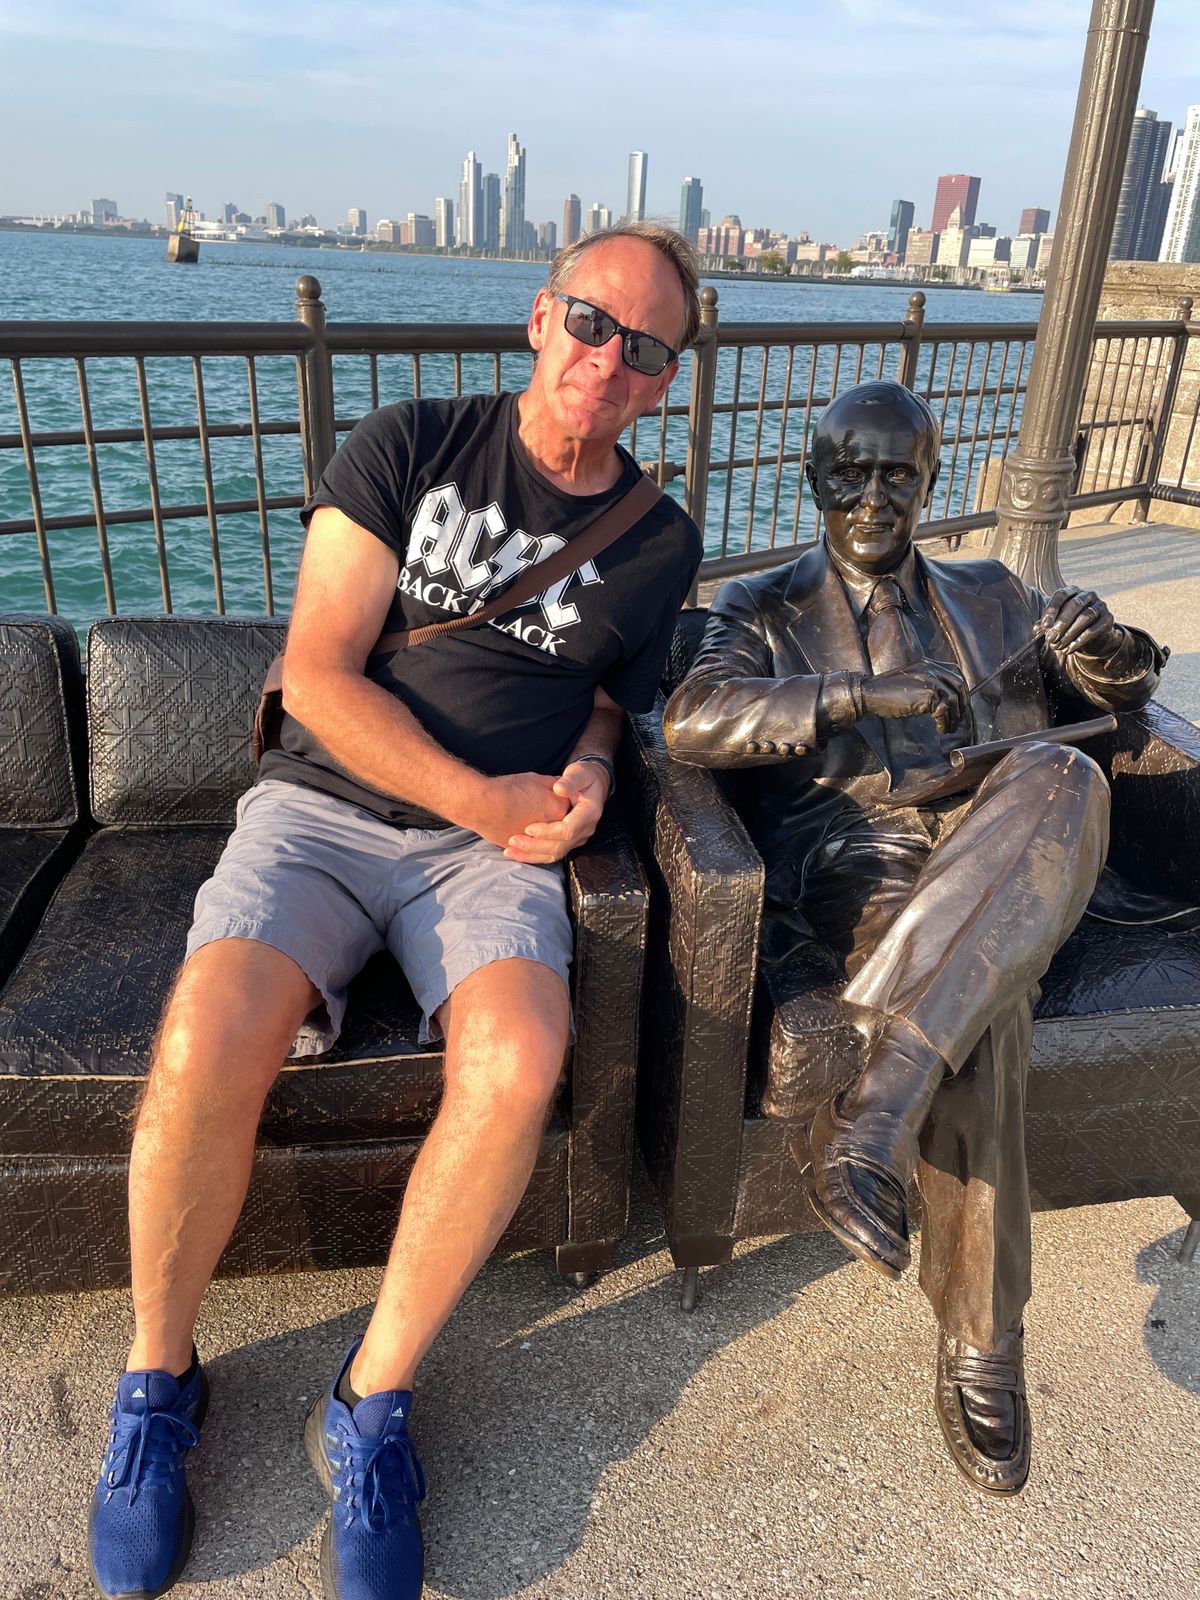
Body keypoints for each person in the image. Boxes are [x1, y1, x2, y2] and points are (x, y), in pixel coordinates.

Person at [87, 223, 703, 1600]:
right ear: (540, 317)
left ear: (667, 379)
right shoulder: (411, 443)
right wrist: (483, 796)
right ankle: (158, 1380)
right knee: (201, 1037)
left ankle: (370, 1400)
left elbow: (611, 694)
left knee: (520, 1058)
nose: (610, 362)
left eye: (647, 348)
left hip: (488, 859)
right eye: (592, 323)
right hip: (323, 809)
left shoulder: (660, 541)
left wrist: (592, 769)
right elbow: (315, 672)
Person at [663, 379, 1165, 1497]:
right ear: (814, 478)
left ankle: (875, 1105)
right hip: (867, 863)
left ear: (930, 482)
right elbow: (691, 719)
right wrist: (858, 694)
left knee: (1063, 770)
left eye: (899, 474)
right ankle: (984, 1335)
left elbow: (1122, 692)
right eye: (851, 472)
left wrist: (1108, 650)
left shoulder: (994, 590)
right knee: (986, 1001)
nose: (874, 497)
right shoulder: (760, 607)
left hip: (1016, 835)